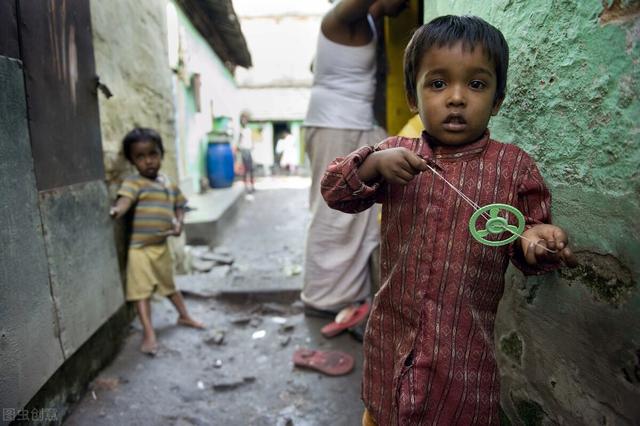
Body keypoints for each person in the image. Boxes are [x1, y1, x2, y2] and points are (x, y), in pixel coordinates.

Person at [320, 15, 578, 425]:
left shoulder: (512, 168)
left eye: (476, 84)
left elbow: (529, 240)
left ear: (496, 99)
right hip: (391, 346)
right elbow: (334, 192)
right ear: (412, 95)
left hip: (462, 361)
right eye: (437, 83)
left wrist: (537, 241)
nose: (456, 98)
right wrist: (371, 166)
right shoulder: (393, 154)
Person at [302, 0, 409, 318]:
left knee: (355, 215)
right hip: (338, 125)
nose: (405, 6)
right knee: (334, 214)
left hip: (350, 125)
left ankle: (344, 295)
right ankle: (322, 299)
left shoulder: (366, 24)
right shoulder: (339, 20)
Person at [110, 127, 204, 355]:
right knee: (141, 292)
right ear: (132, 161)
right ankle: (149, 333)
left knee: (169, 287)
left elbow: (180, 205)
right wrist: (116, 210)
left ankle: (184, 316)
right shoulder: (134, 183)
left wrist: (179, 223)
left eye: (153, 154)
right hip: (139, 250)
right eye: (140, 157)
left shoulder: (167, 183)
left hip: (160, 248)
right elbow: (124, 201)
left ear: (161, 154)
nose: (148, 161)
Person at [238, 112, 255, 193]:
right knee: (246, 169)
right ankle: (246, 186)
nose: (244, 121)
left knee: (251, 168)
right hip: (244, 150)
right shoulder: (241, 130)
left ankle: (252, 186)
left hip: (249, 150)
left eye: (245, 119)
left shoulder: (248, 130)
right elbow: (239, 141)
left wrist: (252, 145)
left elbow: (251, 140)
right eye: (243, 120)